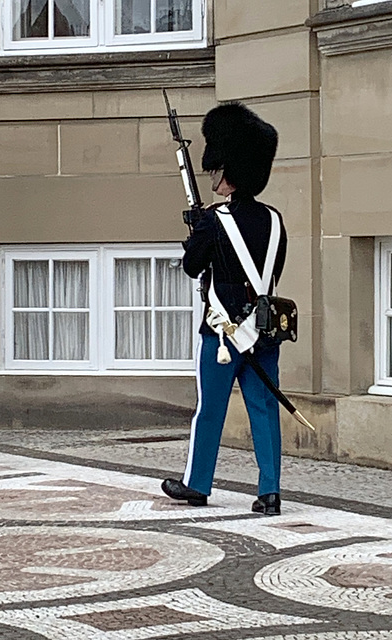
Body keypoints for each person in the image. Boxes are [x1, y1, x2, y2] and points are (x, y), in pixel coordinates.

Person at [161, 102, 287, 515]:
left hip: (220, 331)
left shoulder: (216, 220)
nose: (212, 177)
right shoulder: (275, 220)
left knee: (210, 408)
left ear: (228, 168)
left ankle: (197, 484)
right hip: (262, 331)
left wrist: (197, 233)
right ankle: (270, 491)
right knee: (263, 409)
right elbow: (273, 271)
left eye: (216, 169)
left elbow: (192, 267)